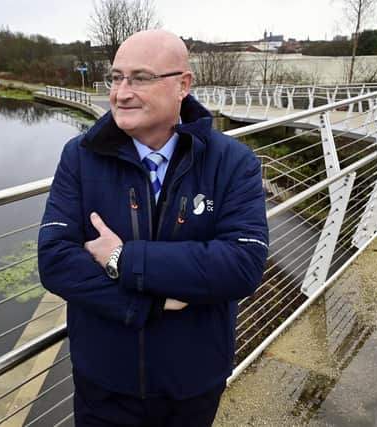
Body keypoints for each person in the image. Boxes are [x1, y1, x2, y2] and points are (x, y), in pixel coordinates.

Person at [38, 29, 268, 427]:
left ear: (183, 85)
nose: (121, 93)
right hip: (104, 383)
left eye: (140, 78)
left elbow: (242, 264)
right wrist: (149, 303)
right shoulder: (79, 157)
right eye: (116, 77)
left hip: (192, 382)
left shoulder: (233, 162)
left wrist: (124, 258)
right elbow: (55, 259)